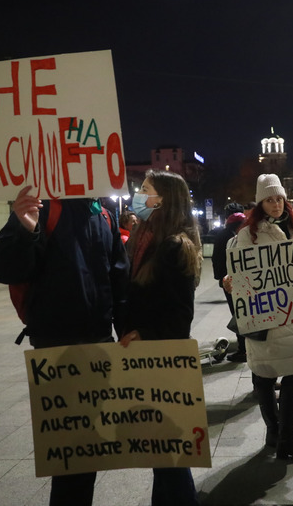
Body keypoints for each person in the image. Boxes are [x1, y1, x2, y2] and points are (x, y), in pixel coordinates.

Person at [0, 186, 130, 506]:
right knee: (72, 452)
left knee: (87, 451)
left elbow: (118, 279)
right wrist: (25, 227)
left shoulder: (103, 214)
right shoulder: (43, 208)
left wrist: (126, 330)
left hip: (98, 342)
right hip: (56, 346)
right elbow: (3, 268)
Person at [117, 169, 202, 506]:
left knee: (167, 452)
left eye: (145, 189)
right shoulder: (145, 237)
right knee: (160, 450)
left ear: (163, 199)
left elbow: (180, 317)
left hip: (162, 361)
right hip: (143, 357)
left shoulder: (174, 246)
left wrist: (144, 332)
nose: (139, 194)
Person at [223, 174, 293, 462]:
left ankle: (283, 437)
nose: (276, 204)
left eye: (279, 198)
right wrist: (231, 281)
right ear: (260, 203)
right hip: (265, 317)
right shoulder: (247, 235)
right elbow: (240, 274)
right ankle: (278, 433)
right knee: (265, 377)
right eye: (270, 199)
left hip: (291, 317)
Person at [213, 203, 248, 362]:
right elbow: (219, 260)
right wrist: (222, 278)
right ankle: (243, 349)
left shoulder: (226, 234)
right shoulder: (228, 237)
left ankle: (245, 348)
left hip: (235, 282)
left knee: (240, 314)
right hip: (231, 283)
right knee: (239, 315)